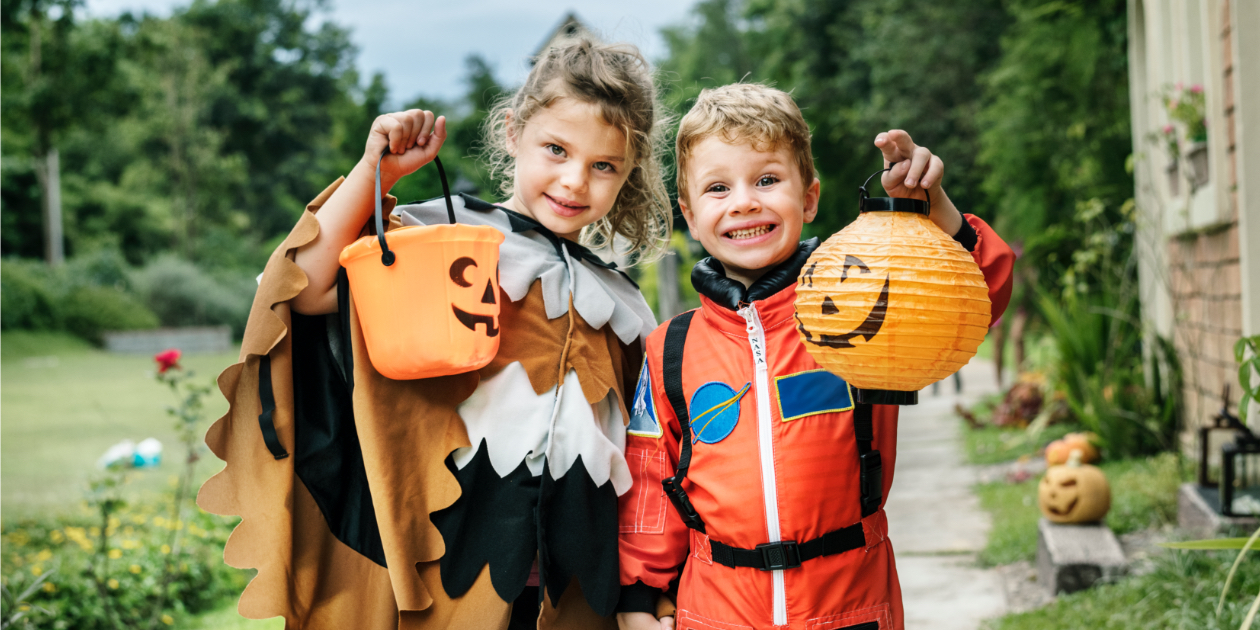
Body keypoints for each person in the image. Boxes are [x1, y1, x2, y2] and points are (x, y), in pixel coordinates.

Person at [198, 39, 671, 630]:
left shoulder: (624, 308)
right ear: (512, 132)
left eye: (604, 166)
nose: (575, 181)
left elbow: (647, 462)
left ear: (629, 172)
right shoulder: (441, 238)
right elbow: (301, 290)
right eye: (556, 149)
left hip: (574, 587)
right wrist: (377, 172)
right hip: (443, 564)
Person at [614, 84, 1015, 630]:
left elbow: (981, 293)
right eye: (717, 188)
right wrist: (638, 597)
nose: (744, 201)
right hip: (717, 608)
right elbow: (649, 481)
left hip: (850, 602)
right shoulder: (671, 348)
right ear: (688, 211)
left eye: (767, 180)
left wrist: (932, 209)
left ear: (809, 198)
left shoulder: (864, 309)